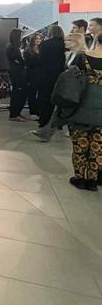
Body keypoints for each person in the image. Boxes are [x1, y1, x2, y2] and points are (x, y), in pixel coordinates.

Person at [57, 29, 102, 190]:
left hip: (80, 108)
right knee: (97, 147)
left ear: (96, 41)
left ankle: (80, 178)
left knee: (80, 145)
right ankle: (92, 181)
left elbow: (70, 84)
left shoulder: (82, 58)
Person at [32, 26, 66, 141]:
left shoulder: (45, 44)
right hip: (60, 76)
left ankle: (43, 122)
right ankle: (59, 124)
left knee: (45, 99)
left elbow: (40, 61)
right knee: (59, 101)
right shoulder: (64, 44)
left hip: (45, 76)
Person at [6, 28, 27, 121]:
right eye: (21, 35)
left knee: (19, 93)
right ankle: (14, 114)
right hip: (16, 73)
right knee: (17, 94)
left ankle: (17, 112)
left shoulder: (15, 47)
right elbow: (18, 60)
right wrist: (23, 61)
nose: (22, 37)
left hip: (18, 72)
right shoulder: (12, 48)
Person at [23, 33, 41, 117]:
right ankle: (33, 111)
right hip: (31, 74)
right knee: (32, 93)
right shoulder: (27, 51)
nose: (38, 40)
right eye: (36, 39)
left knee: (39, 93)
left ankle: (38, 110)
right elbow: (28, 63)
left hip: (40, 74)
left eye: (39, 39)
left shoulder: (42, 49)